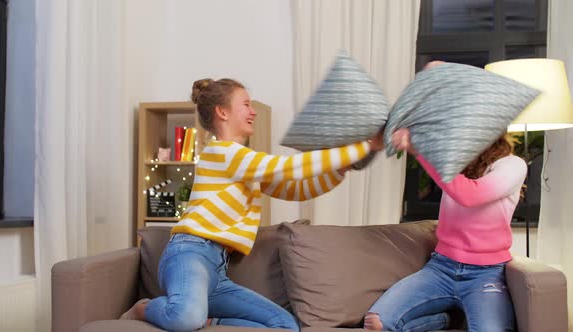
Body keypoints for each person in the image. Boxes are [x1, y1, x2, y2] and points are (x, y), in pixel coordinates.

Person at [122, 78, 384, 332]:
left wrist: (342, 168)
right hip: (190, 254)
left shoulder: (246, 168)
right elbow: (287, 168)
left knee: (286, 325)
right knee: (185, 318)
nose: (253, 112)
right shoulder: (221, 153)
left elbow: (300, 190)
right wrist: (360, 147)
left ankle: (208, 321)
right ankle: (144, 309)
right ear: (222, 112)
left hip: (217, 270)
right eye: (246, 104)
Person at [363, 126, 526, 332]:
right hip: (441, 269)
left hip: (485, 276)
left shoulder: (513, 165)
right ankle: (447, 320)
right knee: (376, 323)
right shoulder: (456, 162)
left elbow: (470, 195)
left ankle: (455, 317)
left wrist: (420, 150)